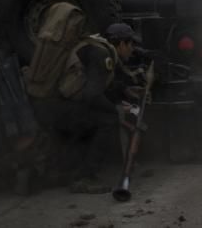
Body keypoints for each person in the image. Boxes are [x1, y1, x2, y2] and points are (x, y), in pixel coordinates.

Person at [30, 18, 133, 194]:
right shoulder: (104, 55)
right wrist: (114, 109)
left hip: (46, 105)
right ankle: (84, 177)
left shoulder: (93, 46)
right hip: (55, 109)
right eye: (130, 45)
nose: (132, 50)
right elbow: (92, 94)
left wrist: (124, 92)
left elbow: (96, 84)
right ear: (122, 43)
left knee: (95, 116)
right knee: (108, 120)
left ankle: (64, 169)